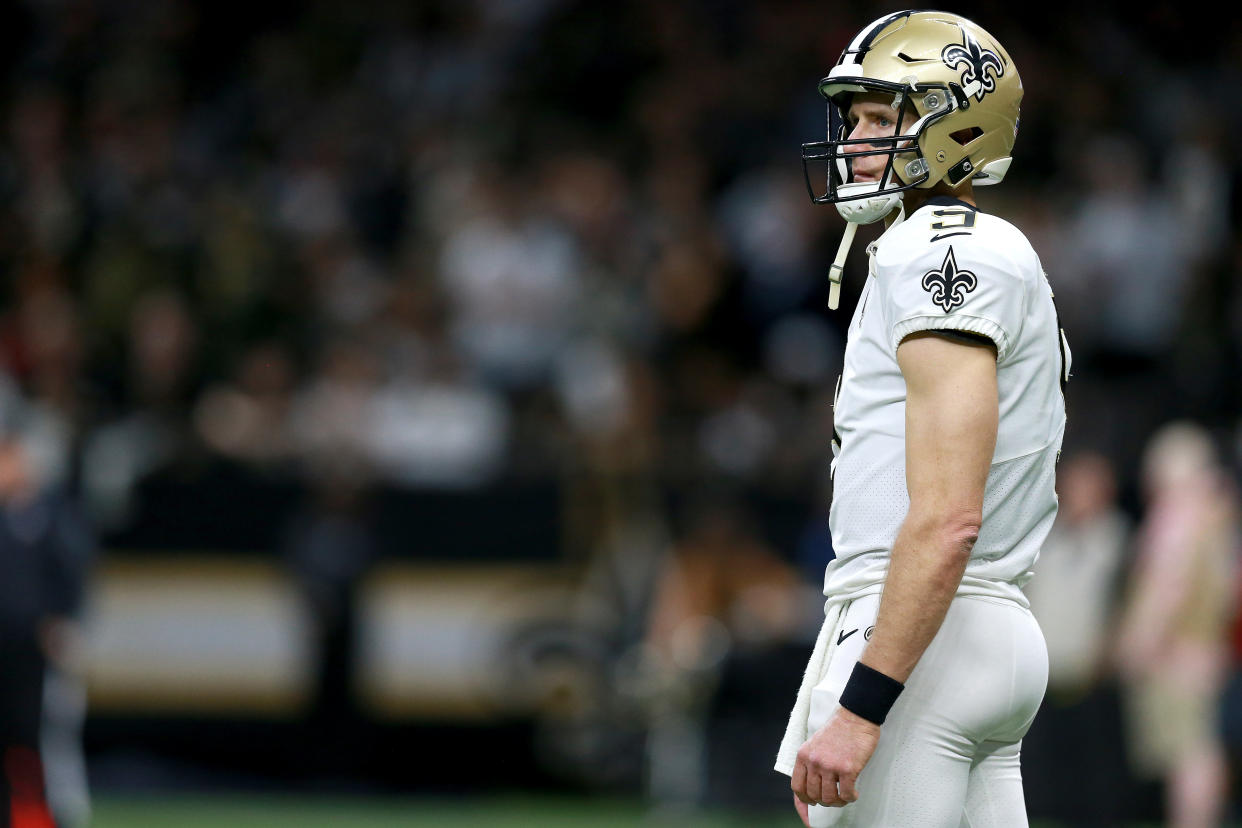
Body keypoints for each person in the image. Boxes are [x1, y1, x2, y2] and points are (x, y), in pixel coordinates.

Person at [773, 11, 1068, 827]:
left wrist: (863, 704)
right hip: (978, 631)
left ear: (956, 124)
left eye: (881, 116)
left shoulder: (943, 251)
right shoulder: (967, 246)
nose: (856, 139)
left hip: (925, 639)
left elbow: (946, 520)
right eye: (855, 118)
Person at [1113, 422, 1239, 828]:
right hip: (1209, 651)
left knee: (1187, 754)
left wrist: (1135, 646)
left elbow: (1165, 589)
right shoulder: (1219, 513)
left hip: (1174, 654)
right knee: (1202, 751)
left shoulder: (1177, 515)